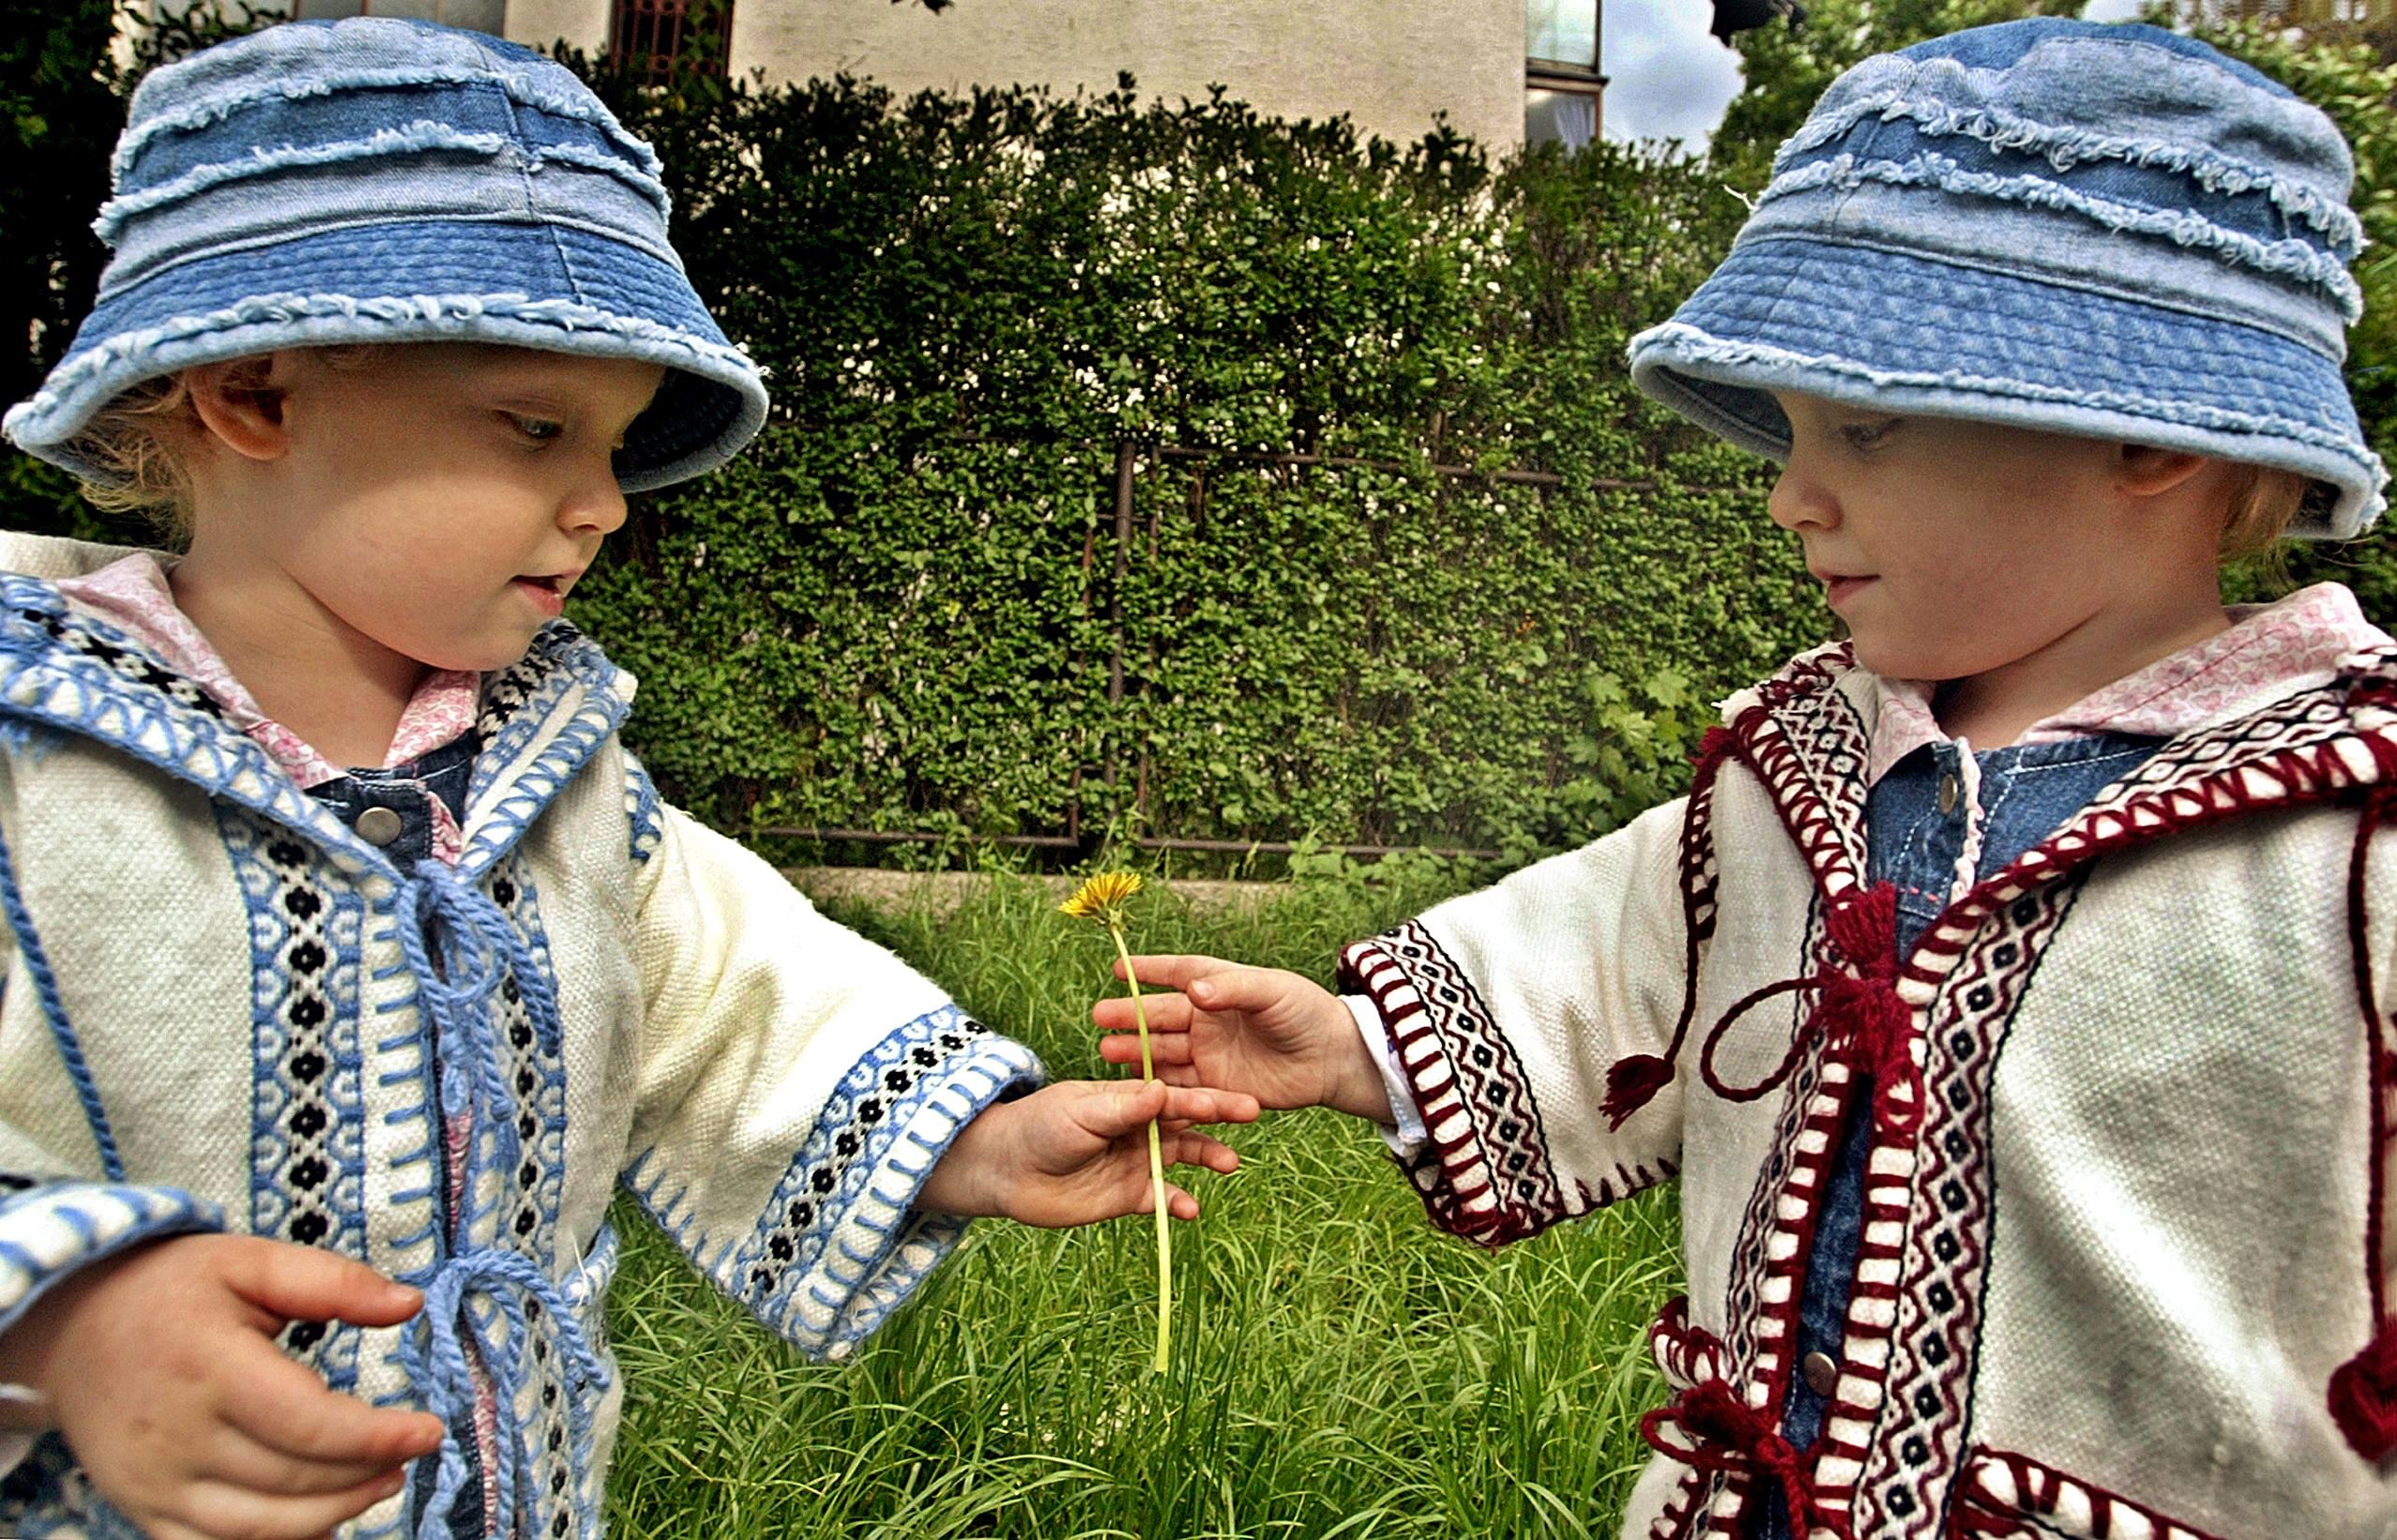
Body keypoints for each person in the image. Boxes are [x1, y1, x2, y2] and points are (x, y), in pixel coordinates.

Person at [1097, 19, 2397, 1538]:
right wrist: (1358, 1041)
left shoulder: (2346, 822)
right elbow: (1622, 954)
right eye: (1786, 432)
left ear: (2144, 439)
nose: (1792, 494)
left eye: (1862, 422)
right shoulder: (1799, 773)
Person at [0, 19, 1256, 1540]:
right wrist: (62, 1315)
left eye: (611, 442)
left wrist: (969, 1135)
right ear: (256, 395)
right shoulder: (38, 761)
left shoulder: (558, 777)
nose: (600, 503)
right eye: (535, 427)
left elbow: (730, 990)